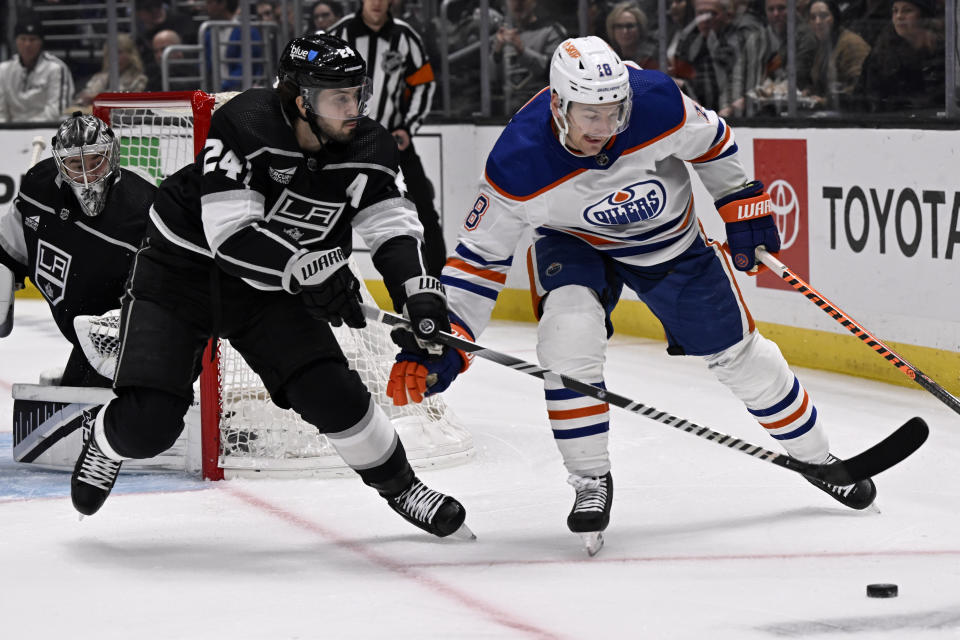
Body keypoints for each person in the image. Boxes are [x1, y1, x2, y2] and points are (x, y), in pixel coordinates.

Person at [389, 36, 876, 554]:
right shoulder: (519, 161)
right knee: (566, 336)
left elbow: (712, 141)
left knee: (739, 358)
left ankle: (818, 459)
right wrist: (452, 338)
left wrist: (737, 197)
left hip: (669, 241)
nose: (605, 130)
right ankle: (590, 480)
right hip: (573, 241)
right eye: (589, 116)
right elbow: (478, 262)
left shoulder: (657, 102)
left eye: (614, 113)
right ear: (558, 103)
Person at [69, 34, 471, 542]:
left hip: (271, 288)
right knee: (148, 425)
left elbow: (391, 225)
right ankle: (103, 440)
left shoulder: (368, 145)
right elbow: (230, 235)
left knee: (334, 392)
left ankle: (404, 488)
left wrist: (419, 292)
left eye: (357, 95)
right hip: (182, 273)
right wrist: (310, 270)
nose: (353, 109)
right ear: (299, 99)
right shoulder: (246, 121)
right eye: (337, 98)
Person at [0, 113, 156, 387]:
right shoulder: (38, 187)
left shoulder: (144, 208)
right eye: (75, 163)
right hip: (86, 343)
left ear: (113, 155)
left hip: (129, 344)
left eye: (97, 160)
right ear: (61, 164)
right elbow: (8, 250)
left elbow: (170, 288)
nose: (87, 175)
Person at [328, 0, 447, 277]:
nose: (378, 2)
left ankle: (438, 285)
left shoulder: (404, 36)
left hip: (392, 141)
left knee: (424, 212)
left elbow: (424, 83)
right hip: (343, 142)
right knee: (326, 208)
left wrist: (408, 126)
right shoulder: (340, 34)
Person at [855, 0, 944, 112]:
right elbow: (864, 99)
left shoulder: (945, 52)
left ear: (924, 16)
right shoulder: (881, 53)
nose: (899, 16)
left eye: (907, 10)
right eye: (895, 11)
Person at [491, 0, 568, 115]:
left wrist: (522, 51)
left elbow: (557, 73)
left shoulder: (551, 31)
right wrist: (497, 53)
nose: (518, 3)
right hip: (507, 113)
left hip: (543, 111)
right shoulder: (500, 35)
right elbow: (491, 81)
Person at [0, 16, 74, 123]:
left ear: (41, 42)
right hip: (11, 131)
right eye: (23, 39)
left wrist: (28, 128)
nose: (27, 44)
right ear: (16, 41)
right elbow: (1, 112)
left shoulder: (56, 68)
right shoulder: (3, 70)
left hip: (46, 130)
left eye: (32, 39)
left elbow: (56, 111)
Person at [804, 0, 871, 110]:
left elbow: (858, 89)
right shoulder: (824, 44)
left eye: (824, 16)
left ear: (835, 17)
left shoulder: (852, 44)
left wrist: (824, 101)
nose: (818, 22)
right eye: (812, 18)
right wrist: (809, 92)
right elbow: (821, 83)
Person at [203, 0, 265, 90]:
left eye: (209, 2)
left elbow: (246, 69)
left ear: (222, 4)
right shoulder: (209, 33)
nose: (206, 7)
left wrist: (223, 88)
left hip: (240, 92)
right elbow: (206, 65)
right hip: (216, 91)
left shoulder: (247, 32)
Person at [74, 34, 149, 107]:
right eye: (110, 53)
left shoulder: (140, 79)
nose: (114, 57)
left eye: (119, 52)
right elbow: (82, 98)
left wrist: (95, 98)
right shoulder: (99, 77)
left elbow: (128, 104)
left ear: (131, 55)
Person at [605, 1, 659, 69]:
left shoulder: (650, 60)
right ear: (612, 29)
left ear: (640, 28)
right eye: (619, 26)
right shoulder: (609, 58)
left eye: (630, 26)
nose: (625, 31)